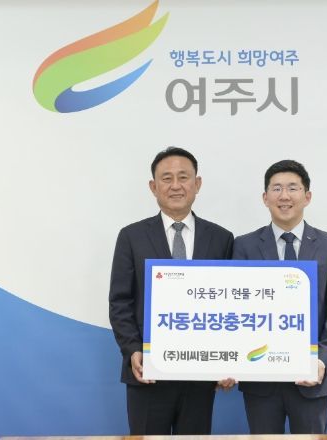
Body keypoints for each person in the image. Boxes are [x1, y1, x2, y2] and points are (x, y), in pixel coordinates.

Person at [108, 146, 234, 435]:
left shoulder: (221, 238)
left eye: (183, 177)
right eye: (166, 178)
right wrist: (133, 350)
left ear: (197, 184)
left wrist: (229, 359)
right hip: (148, 373)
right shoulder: (131, 237)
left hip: (201, 374)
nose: (175, 185)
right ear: (153, 187)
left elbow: (230, 305)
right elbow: (120, 302)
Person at [233, 159, 327, 434]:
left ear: (307, 196)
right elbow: (234, 310)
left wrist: (320, 360)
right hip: (260, 380)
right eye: (276, 189)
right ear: (265, 198)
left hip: (311, 380)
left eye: (292, 188)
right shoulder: (244, 246)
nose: (284, 196)